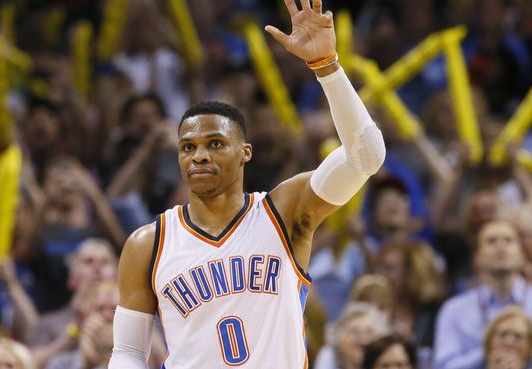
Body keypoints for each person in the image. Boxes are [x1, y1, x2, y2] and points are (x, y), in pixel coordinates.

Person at [108, 0, 387, 367]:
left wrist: (327, 68)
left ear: (245, 152)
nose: (200, 156)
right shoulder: (149, 243)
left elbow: (365, 155)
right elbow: (128, 352)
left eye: (215, 144)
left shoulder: (283, 212)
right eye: (187, 147)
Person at [433, 220, 532, 369]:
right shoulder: (454, 310)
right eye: (491, 241)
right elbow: (444, 365)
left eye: (508, 240)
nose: (501, 247)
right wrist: (487, 354)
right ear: (478, 257)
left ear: (521, 255)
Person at [315, 302, 391, 369]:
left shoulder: (392, 359)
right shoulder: (327, 356)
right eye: (354, 331)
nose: (362, 337)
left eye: (369, 331)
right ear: (338, 339)